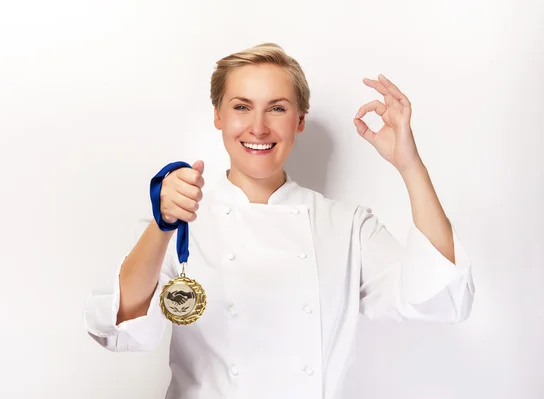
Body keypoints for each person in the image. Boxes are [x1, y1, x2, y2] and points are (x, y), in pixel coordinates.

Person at [83, 43, 475, 398]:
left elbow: (440, 299)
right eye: (241, 106)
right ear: (218, 116)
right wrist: (164, 223)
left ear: (299, 120)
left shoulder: (345, 226)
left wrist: (410, 165)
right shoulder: (180, 222)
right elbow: (124, 328)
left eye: (277, 107)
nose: (258, 126)